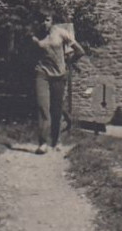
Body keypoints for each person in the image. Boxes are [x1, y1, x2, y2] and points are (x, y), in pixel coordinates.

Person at [31, 14, 83, 154]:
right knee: (43, 107)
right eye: (41, 20)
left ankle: (56, 140)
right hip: (42, 74)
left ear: (52, 21)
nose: (44, 23)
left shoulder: (60, 33)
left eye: (47, 19)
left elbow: (80, 51)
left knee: (57, 110)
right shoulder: (35, 36)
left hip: (59, 75)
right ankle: (43, 143)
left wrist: (68, 64)